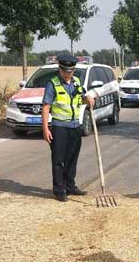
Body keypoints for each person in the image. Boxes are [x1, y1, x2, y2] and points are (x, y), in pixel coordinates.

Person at [41, 52, 97, 203]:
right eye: (65, 71)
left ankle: (70, 186)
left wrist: (88, 99)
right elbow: (46, 107)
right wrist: (45, 129)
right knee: (59, 160)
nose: (68, 74)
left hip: (75, 127)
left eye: (71, 71)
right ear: (60, 69)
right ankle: (59, 189)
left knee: (72, 159)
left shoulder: (77, 82)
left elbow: (82, 99)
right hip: (59, 128)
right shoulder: (52, 84)